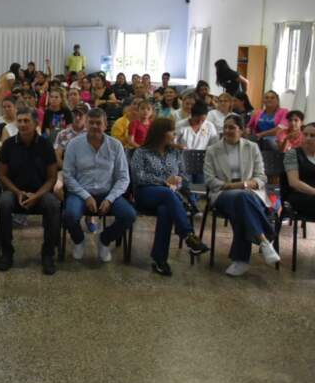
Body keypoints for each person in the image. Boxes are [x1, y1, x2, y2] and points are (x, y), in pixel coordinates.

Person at [204, 114, 280, 276]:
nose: (227, 130)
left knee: (241, 206)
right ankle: (265, 239)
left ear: (241, 130)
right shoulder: (212, 150)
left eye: (232, 127)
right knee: (241, 198)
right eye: (225, 127)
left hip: (250, 193)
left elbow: (261, 177)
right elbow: (210, 180)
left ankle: (241, 260)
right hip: (223, 194)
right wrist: (233, 187)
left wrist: (244, 185)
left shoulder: (252, 147)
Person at [131, 118, 209, 276]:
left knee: (165, 210)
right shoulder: (141, 152)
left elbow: (183, 177)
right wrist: (165, 182)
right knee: (167, 194)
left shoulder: (176, 152)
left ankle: (160, 261)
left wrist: (181, 184)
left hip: (170, 197)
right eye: (172, 131)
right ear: (161, 133)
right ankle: (188, 235)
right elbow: (138, 177)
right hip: (146, 193)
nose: (175, 134)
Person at [62, 108, 136, 263]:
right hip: (80, 192)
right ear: (86, 124)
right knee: (69, 215)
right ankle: (79, 240)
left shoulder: (115, 146)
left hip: (108, 192)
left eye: (98, 123)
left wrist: (110, 198)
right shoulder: (74, 145)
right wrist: (86, 196)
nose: (95, 126)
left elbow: (123, 177)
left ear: (105, 125)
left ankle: (104, 239)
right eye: (91, 123)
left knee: (129, 215)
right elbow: (67, 176)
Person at [0, 106, 62, 274]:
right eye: (19, 121)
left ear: (35, 123)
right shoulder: (8, 145)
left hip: (40, 193)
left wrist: (37, 195)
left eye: (27, 121)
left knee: (53, 204)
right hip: (15, 192)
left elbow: (52, 178)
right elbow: (2, 176)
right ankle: (7, 252)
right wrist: (18, 192)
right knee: (3, 203)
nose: (23, 124)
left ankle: (48, 254)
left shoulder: (46, 145)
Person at [283, 121, 315, 221]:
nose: (308, 138)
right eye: (305, 135)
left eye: (313, 135)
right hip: (299, 195)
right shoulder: (292, 154)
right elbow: (294, 182)